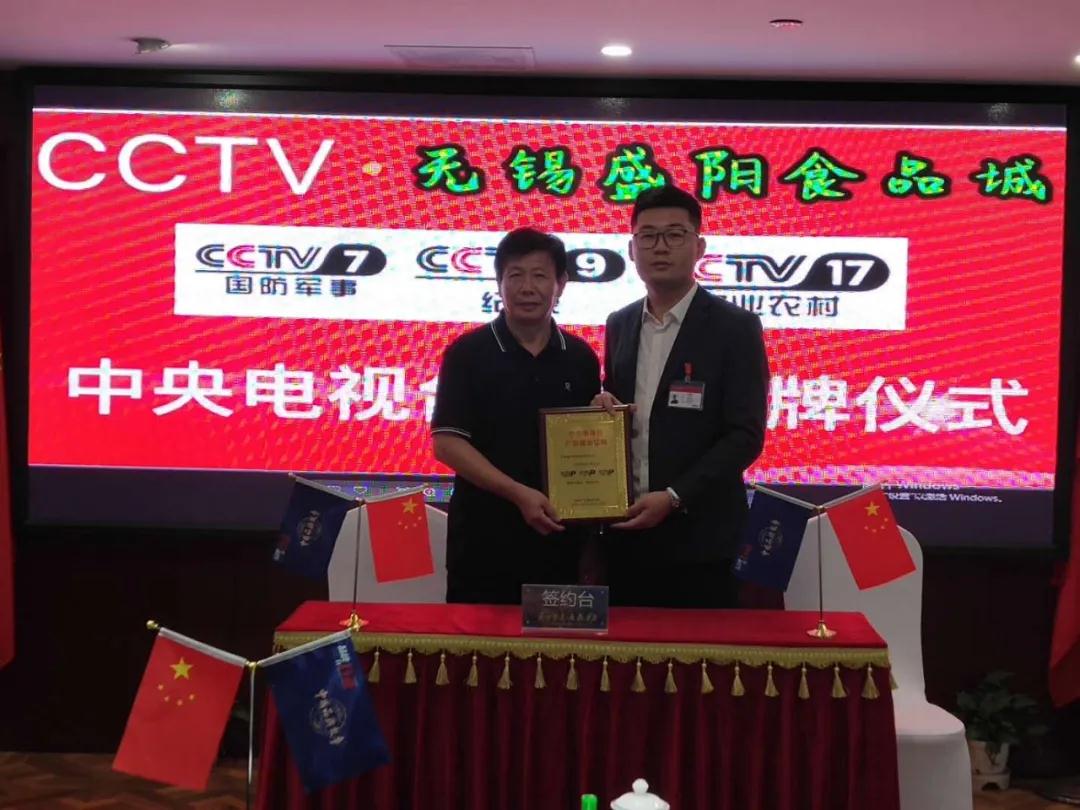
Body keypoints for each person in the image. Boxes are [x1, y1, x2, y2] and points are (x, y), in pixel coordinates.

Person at [592, 185, 769, 608]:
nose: (660, 247)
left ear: (699, 246)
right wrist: (600, 408)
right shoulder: (619, 323)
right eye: (648, 236)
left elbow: (745, 435)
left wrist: (674, 496)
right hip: (626, 535)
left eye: (675, 234)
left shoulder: (735, 327)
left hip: (702, 541)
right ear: (632, 250)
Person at [431, 227, 601, 604]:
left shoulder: (580, 357)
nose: (527, 288)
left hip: (560, 543)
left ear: (561, 284)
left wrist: (605, 416)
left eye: (539, 275)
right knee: (479, 642)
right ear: (499, 282)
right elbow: (447, 444)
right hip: (482, 544)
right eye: (515, 275)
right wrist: (518, 494)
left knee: (556, 643)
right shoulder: (468, 353)